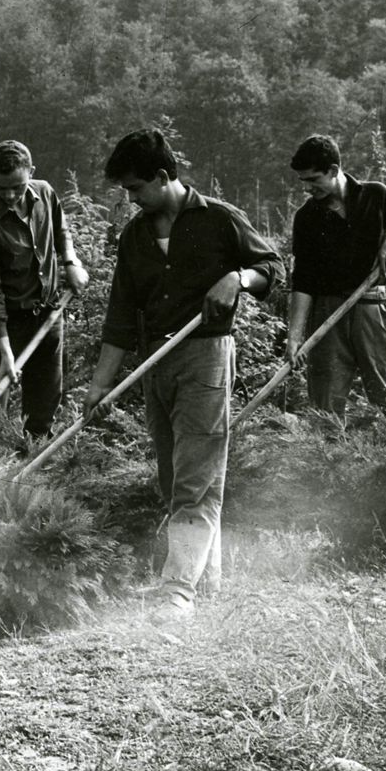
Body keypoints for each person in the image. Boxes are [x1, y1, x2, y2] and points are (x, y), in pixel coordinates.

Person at [79, 129, 280, 617]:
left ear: (164, 177)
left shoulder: (219, 219)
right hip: (155, 363)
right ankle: (203, 581)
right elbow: (121, 315)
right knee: (175, 478)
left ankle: (178, 592)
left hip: (206, 354)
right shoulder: (135, 236)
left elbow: (271, 269)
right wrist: (99, 385)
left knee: (195, 476)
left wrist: (236, 279)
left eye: (135, 189)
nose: (131, 200)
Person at [286, 134, 386, 413]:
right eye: (304, 182)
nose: (308, 189)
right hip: (327, 315)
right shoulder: (306, 218)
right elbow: (303, 281)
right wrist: (294, 337)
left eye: (313, 180)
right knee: (325, 407)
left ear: (334, 170)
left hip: (372, 307)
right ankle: (330, 455)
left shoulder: (376, 195)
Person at [0, 140, 90, 441]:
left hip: (49, 314)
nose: (8, 196)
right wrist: (6, 352)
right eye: (0, 187)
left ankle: (31, 470)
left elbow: (61, 230)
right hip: (6, 325)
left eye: (17, 187)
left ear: (31, 173)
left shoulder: (45, 192)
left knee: (45, 402)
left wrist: (71, 262)